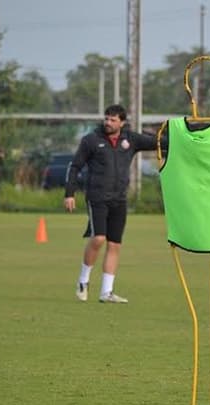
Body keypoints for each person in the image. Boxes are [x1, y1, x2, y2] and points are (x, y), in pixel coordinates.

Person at [63, 104, 156, 303]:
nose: (108, 123)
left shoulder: (130, 139)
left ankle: (107, 292)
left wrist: (185, 134)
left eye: (113, 120)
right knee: (98, 239)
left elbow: (158, 142)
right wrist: (70, 193)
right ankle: (83, 281)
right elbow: (75, 166)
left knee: (114, 245)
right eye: (106, 119)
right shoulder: (91, 140)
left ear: (122, 122)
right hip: (97, 197)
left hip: (119, 199)